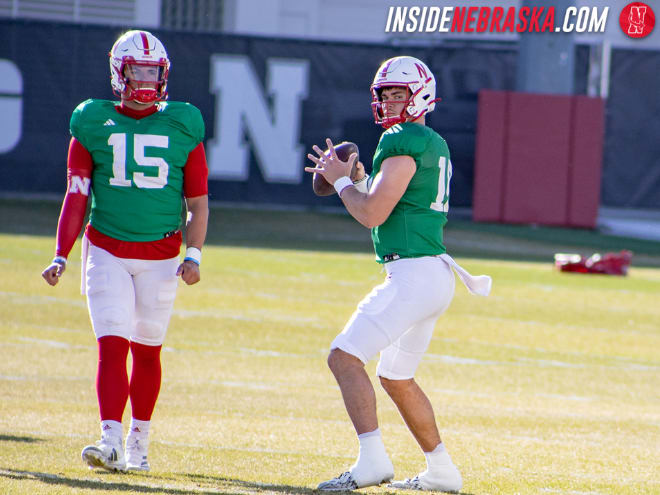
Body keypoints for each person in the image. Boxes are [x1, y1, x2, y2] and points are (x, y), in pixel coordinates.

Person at [305, 55, 491, 492]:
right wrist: (359, 175)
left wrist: (341, 183)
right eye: (384, 94)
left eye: (398, 94)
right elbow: (394, 200)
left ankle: (371, 462)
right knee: (396, 376)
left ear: (420, 94)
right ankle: (442, 471)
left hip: (413, 275)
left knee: (344, 357)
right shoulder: (432, 142)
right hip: (433, 274)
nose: (389, 103)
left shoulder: (401, 138)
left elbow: (371, 214)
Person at [41, 30, 209, 473]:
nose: (147, 79)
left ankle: (140, 444)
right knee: (112, 344)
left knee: (148, 350)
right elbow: (76, 193)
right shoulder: (91, 120)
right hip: (107, 248)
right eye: (139, 69)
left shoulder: (184, 121)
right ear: (120, 71)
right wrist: (61, 252)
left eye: (154, 70)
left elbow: (197, 202)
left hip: (162, 254)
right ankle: (110, 438)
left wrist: (195, 254)